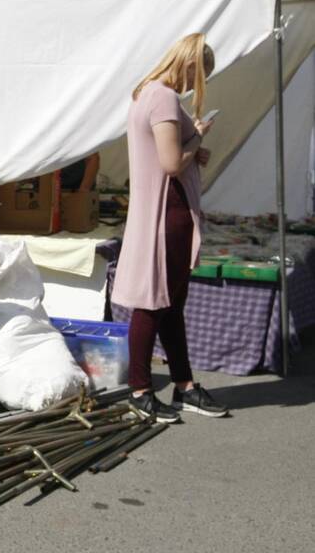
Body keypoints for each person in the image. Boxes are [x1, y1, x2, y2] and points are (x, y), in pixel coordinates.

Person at [112, 32, 229, 423]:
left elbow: (169, 156)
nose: (200, 84)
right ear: (191, 65)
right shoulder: (162, 97)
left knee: (170, 304)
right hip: (168, 214)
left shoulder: (146, 93)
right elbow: (171, 163)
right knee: (154, 302)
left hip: (163, 212)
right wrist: (197, 137)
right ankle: (141, 390)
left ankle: (184, 386)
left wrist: (193, 143)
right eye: (202, 75)